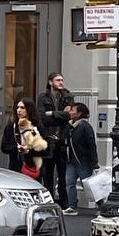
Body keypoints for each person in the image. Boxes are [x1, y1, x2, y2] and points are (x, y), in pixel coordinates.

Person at [37, 72, 74, 204]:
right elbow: (42, 118)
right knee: (47, 174)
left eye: (62, 80)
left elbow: (68, 116)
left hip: (62, 140)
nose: (61, 83)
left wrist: (52, 113)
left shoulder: (67, 96)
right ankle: (49, 201)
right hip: (49, 139)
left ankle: (64, 203)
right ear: (50, 82)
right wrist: (60, 116)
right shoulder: (43, 98)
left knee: (63, 174)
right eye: (58, 80)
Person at [64, 102, 99, 215]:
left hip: (83, 161)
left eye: (72, 110)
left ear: (79, 113)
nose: (70, 112)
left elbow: (91, 144)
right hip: (71, 160)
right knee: (70, 183)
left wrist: (94, 162)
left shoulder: (85, 127)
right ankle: (72, 206)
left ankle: (101, 204)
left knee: (89, 184)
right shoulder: (69, 126)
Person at [0, 97, 47, 176]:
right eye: (17, 107)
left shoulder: (37, 126)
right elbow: (4, 147)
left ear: (29, 110)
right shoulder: (11, 127)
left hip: (33, 168)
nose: (19, 110)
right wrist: (17, 148)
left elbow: (45, 149)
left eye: (22, 108)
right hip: (16, 168)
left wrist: (28, 150)